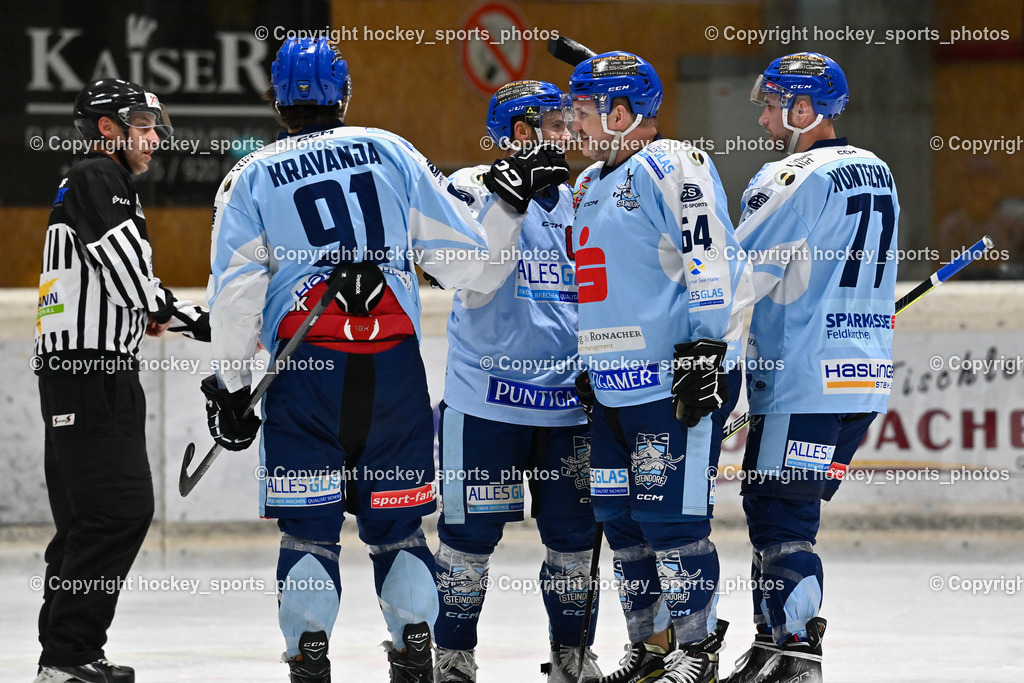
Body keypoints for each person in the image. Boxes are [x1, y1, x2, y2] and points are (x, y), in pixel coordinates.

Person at [201, 38, 568, 683]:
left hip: (305, 371)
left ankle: (309, 661)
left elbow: (233, 298)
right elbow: (469, 270)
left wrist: (232, 388)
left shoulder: (250, 175)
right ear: (344, 94)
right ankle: (414, 653)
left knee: (309, 536)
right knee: (399, 534)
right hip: (394, 368)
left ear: (277, 99)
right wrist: (510, 205)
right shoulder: (390, 150)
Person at [567, 52, 752, 683]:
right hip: (610, 384)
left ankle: (695, 653)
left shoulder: (673, 162)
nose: (573, 121)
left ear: (622, 114)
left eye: (585, 110)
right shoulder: (589, 183)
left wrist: (707, 346)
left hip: (673, 380)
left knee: (671, 523)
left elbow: (709, 250)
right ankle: (649, 648)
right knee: (622, 525)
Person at [722, 52, 899, 683]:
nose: (765, 118)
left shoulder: (789, 177)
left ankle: (796, 653)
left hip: (800, 375)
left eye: (773, 105)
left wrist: (701, 342)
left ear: (806, 109)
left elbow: (737, 277)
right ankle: (775, 645)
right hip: (862, 379)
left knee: (779, 515)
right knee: (788, 513)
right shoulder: (877, 172)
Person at [33, 78, 209, 683]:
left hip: (83, 374)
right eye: (144, 124)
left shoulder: (88, 183)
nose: (156, 137)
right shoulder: (96, 176)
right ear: (108, 127)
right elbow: (134, 280)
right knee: (119, 512)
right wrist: (198, 321)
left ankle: (63, 653)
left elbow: (118, 287)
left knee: (88, 519)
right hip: (91, 376)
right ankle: (68, 653)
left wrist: (152, 312)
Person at [432, 80, 601, 683]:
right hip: (485, 403)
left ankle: (572, 657)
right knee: (467, 542)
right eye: (559, 124)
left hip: (569, 408)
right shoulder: (469, 187)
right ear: (522, 133)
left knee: (576, 545)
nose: (572, 133)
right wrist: (511, 205)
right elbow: (470, 280)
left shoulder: (589, 195)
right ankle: (452, 658)